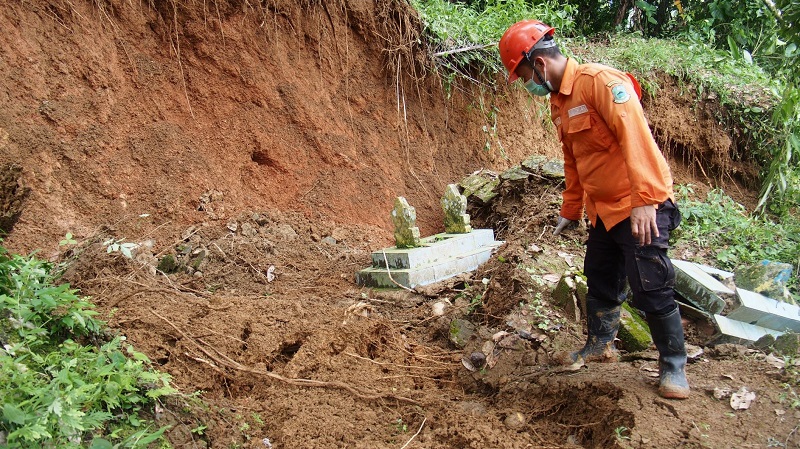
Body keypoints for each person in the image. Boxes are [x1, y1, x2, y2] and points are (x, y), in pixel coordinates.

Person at [498, 20, 689, 399]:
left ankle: (673, 366)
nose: (526, 85)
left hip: (639, 206)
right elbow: (574, 161)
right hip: (603, 211)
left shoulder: (600, 82)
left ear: (538, 64)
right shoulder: (560, 103)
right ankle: (600, 346)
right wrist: (571, 209)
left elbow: (636, 136)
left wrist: (645, 200)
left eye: (523, 76)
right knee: (600, 276)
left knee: (649, 284)